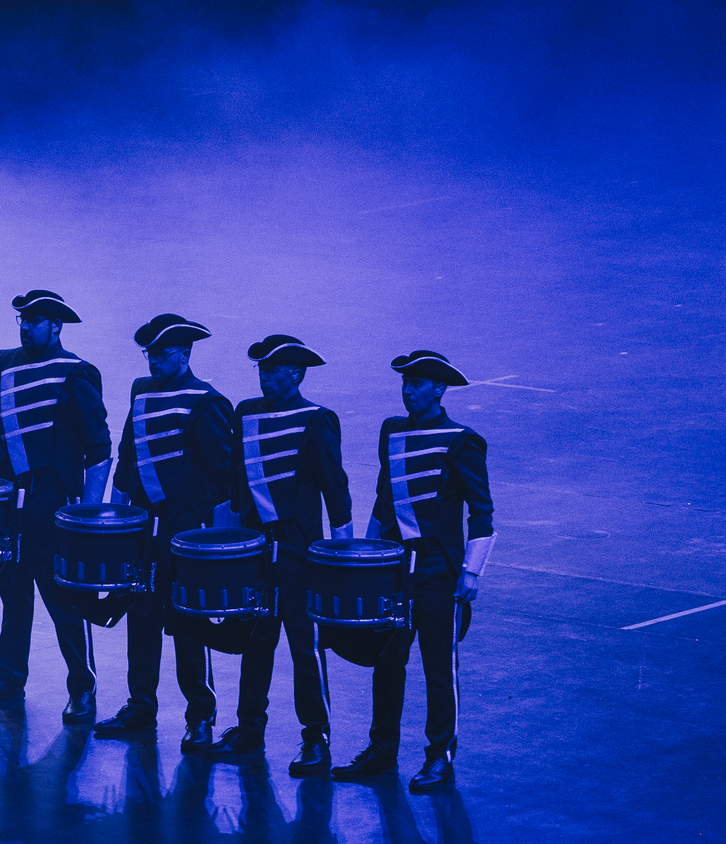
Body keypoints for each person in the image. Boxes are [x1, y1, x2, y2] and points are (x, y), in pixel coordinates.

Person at [339, 350, 492, 792]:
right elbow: (383, 498)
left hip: (437, 571)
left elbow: (482, 513)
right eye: (404, 383)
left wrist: (472, 573)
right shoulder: (391, 431)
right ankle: (381, 750)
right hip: (393, 569)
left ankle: (440, 756)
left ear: (439, 389)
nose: (408, 390)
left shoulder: (463, 440)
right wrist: (364, 561)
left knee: (438, 666)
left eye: (418, 383)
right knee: (387, 662)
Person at [0, 290, 111, 720]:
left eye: (35, 321)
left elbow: (99, 448)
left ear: (56, 327)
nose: (26, 327)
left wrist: (87, 517)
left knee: (63, 595)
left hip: (52, 498)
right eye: (22, 320)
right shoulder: (3, 363)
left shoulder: (76, 372)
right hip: (10, 495)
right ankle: (9, 675)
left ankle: (82, 685)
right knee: (12, 587)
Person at [98, 314, 240, 748]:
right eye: (149, 354)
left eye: (161, 354)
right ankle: (141, 704)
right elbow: (127, 458)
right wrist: (114, 521)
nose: (153, 361)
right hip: (144, 528)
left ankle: (200, 714)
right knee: (140, 616)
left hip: (186, 531)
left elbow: (223, 479)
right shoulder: (141, 391)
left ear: (185, 353)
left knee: (188, 622)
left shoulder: (207, 401)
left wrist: (215, 547)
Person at [215, 335, 355, 771]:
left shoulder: (317, 419)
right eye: (261, 369)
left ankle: (317, 738)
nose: (264, 377)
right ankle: (248, 729)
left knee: (304, 647)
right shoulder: (246, 413)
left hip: (301, 554)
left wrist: (340, 561)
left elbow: (337, 490)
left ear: (296, 374)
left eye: (274, 370)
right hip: (258, 552)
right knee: (255, 640)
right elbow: (237, 487)